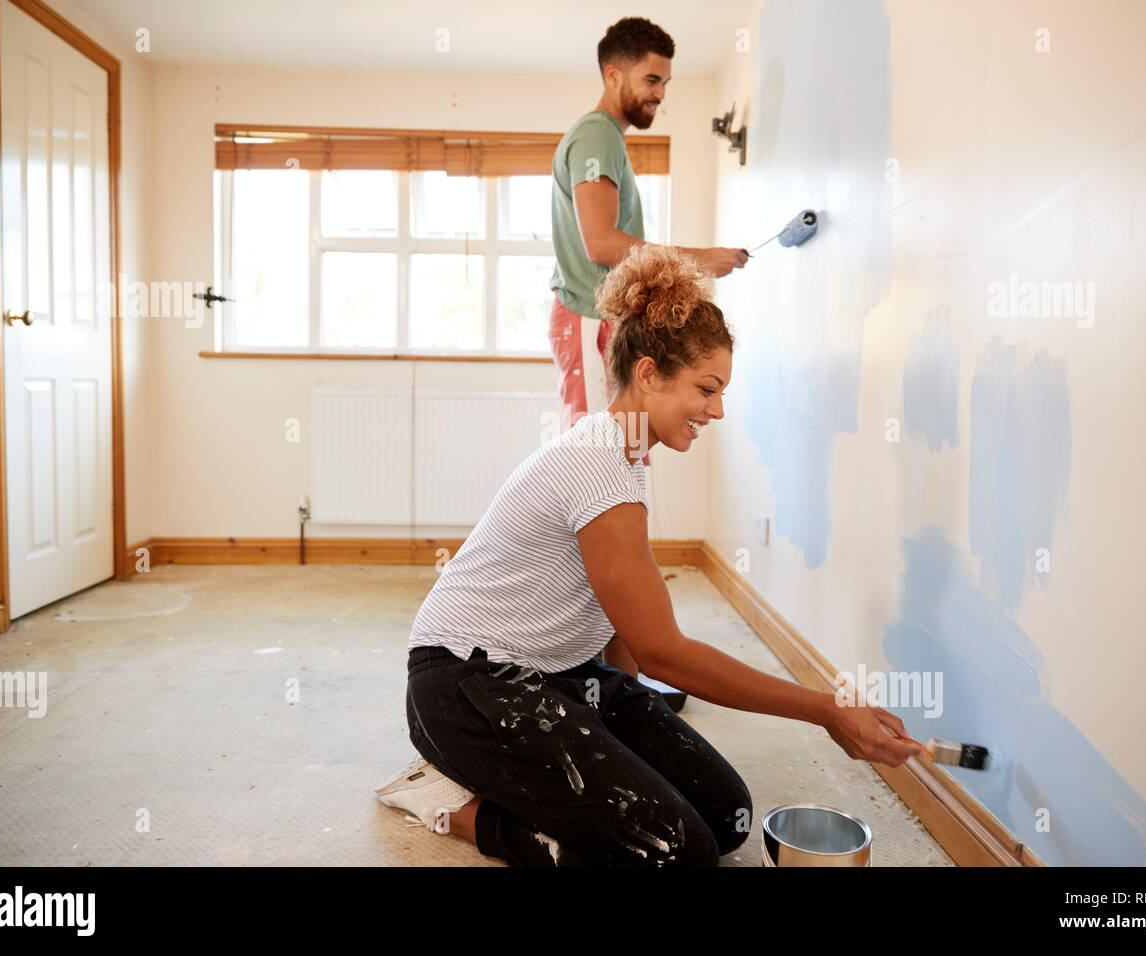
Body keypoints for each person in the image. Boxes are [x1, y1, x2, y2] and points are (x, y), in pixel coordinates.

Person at [376, 244, 925, 867]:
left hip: (559, 673)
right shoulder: (599, 469)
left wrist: (626, 738)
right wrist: (829, 710)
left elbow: (619, 618)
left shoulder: (627, 456)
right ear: (647, 374)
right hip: (467, 686)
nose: (718, 409)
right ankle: (450, 803)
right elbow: (664, 651)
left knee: (725, 814)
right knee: (677, 852)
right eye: (707, 389)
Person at [548, 16, 748, 683]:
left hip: (602, 328)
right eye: (651, 78)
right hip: (588, 324)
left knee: (623, 477)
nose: (659, 92)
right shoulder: (596, 135)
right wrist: (702, 258)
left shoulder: (607, 141)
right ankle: (615, 675)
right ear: (614, 73)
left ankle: (624, 670)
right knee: (603, 481)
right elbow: (601, 243)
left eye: (665, 81)